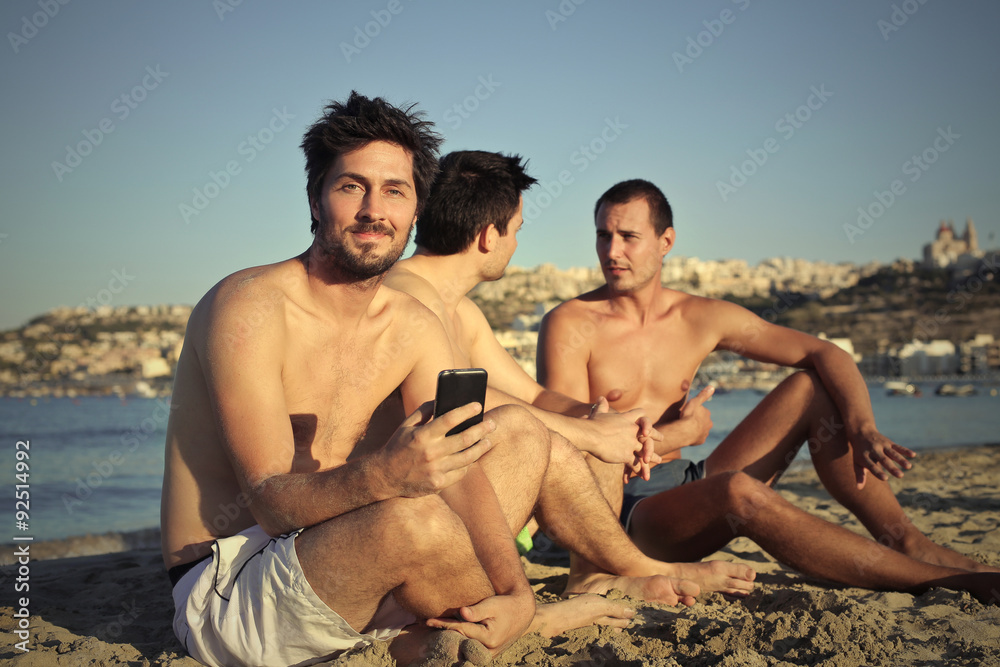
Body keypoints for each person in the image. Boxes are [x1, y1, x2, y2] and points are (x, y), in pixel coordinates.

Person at [161, 94, 630, 667]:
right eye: (351, 187)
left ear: (414, 212)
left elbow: (464, 466)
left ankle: (492, 615)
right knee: (414, 516)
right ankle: (456, 622)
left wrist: (518, 592)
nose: (373, 210)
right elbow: (269, 505)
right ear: (315, 199)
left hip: (349, 550)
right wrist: (386, 474)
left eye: (394, 191)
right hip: (232, 581)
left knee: (518, 434)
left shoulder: (411, 324)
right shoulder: (250, 307)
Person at [537, 178, 1000, 604]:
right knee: (739, 491)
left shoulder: (698, 316)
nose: (612, 250)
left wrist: (862, 427)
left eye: (628, 237)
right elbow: (570, 439)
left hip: (686, 489)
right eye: (603, 235)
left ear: (666, 242)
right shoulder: (570, 323)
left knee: (811, 387)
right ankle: (935, 582)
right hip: (624, 513)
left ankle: (906, 540)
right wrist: (682, 434)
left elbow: (826, 353)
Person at [384, 151, 756, 601]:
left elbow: (531, 395)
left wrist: (603, 420)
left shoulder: (458, 308)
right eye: (516, 231)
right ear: (488, 237)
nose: (517, 244)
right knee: (574, 439)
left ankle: (597, 576)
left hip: (447, 497)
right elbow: (461, 408)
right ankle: (638, 567)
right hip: (403, 510)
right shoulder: (407, 298)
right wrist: (593, 436)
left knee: (592, 429)